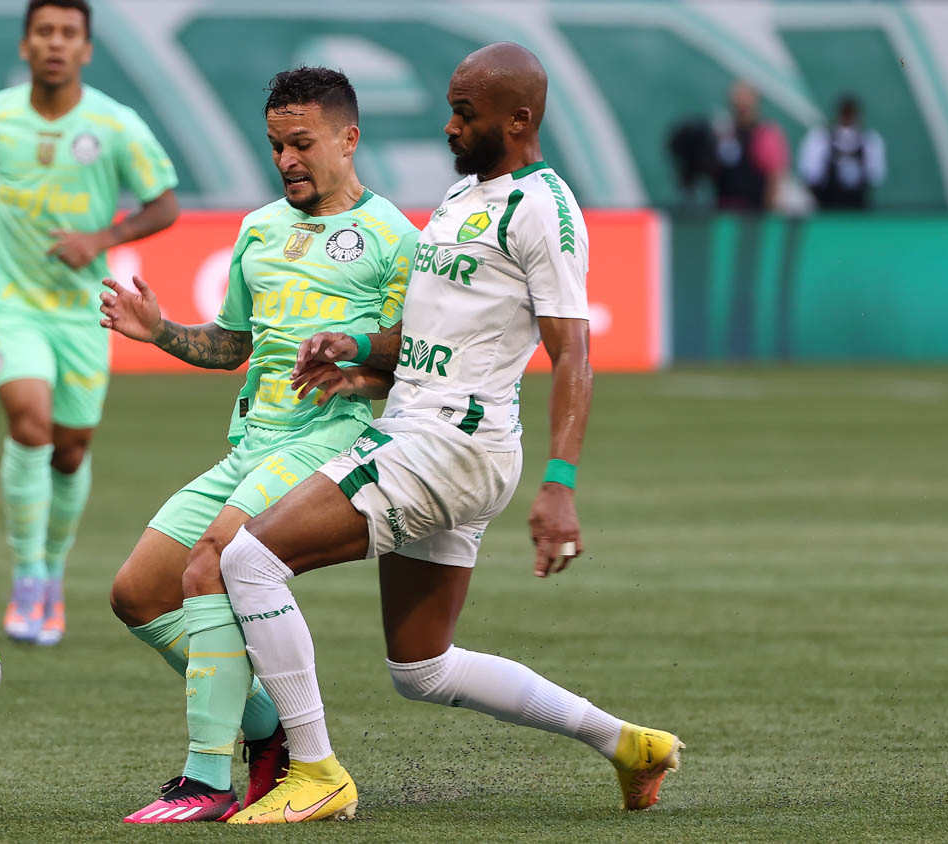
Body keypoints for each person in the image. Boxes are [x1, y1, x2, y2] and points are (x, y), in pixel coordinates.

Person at [192, 42, 681, 823]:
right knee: (421, 667)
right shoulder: (461, 200)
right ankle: (628, 744)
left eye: (465, 113)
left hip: (451, 441)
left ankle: (315, 774)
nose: (448, 125)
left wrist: (562, 485)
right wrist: (355, 348)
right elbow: (427, 338)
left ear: (518, 119)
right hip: (430, 431)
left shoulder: (542, 209)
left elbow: (572, 353)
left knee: (247, 562)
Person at [101, 67, 416, 823]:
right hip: (251, 441)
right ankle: (265, 724)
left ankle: (206, 779)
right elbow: (232, 344)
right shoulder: (259, 228)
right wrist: (162, 332)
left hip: (330, 438)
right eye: (276, 145)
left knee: (212, 559)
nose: (286, 161)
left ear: (349, 138)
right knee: (137, 594)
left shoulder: (397, 239)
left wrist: (358, 374)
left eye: (301, 143)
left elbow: (415, 358)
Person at [0, 0, 179, 647]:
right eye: (44, 31)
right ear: (25, 44)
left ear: (87, 49)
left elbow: (164, 205)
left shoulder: (116, 125)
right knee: (30, 423)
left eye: (69, 33)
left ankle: (55, 570)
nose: (55, 44)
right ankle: (27, 576)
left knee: (70, 450)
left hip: (82, 310)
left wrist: (104, 234)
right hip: (11, 299)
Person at [798, 95, 885, 210]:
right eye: (845, 114)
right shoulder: (820, 139)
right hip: (827, 204)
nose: (848, 119)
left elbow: (875, 175)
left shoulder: (869, 141)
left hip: (858, 205)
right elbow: (811, 174)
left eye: (851, 114)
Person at [713, 81, 788, 211]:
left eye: (745, 102)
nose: (740, 105)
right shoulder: (725, 133)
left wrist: (766, 212)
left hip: (753, 213)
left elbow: (774, 177)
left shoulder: (766, 135)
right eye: (737, 101)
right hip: (724, 209)